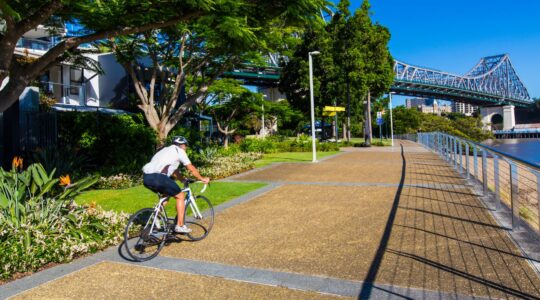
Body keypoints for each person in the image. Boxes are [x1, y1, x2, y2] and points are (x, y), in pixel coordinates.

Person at [142, 136, 210, 233]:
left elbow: (174, 171)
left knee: (167, 194)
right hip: (159, 177)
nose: (186, 147)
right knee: (180, 196)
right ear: (182, 145)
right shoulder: (180, 151)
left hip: (147, 178)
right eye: (185, 145)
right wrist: (202, 178)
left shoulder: (164, 150)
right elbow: (190, 167)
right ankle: (180, 225)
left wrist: (182, 179)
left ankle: (156, 216)